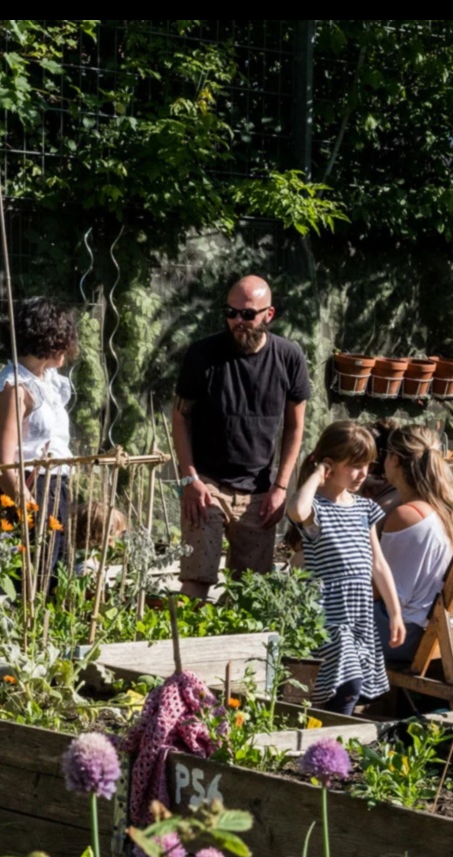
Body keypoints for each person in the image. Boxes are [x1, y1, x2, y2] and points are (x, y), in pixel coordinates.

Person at [171, 275, 309, 598]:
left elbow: (295, 426)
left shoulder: (289, 357)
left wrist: (281, 488)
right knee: (196, 579)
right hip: (207, 485)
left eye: (247, 314)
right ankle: (188, 634)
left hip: (259, 491)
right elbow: (180, 417)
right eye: (230, 313)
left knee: (249, 592)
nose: (237, 321)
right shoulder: (202, 354)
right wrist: (190, 479)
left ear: (268, 314)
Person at [287, 421, 405, 715]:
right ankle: (334, 734)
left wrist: (395, 612)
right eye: (354, 465)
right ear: (329, 465)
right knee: (348, 682)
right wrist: (317, 475)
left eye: (367, 465)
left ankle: (327, 733)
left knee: (344, 686)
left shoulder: (365, 508)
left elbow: (378, 563)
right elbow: (297, 510)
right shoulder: (317, 510)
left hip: (358, 613)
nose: (363, 473)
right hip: (328, 614)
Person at [377, 425, 453, 661]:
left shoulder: (407, 516)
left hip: (406, 635)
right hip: (448, 630)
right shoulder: (447, 509)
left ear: (394, 459)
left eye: (385, 453)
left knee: (319, 611)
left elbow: (386, 592)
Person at [0, 296, 76, 574]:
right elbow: (2, 464)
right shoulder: (15, 387)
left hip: (55, 488)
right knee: (33, 576)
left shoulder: (45, 382)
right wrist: (30, 509)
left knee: (56, 577)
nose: (68, 347)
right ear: (46, 339)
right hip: (28, 488)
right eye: (62, 338)